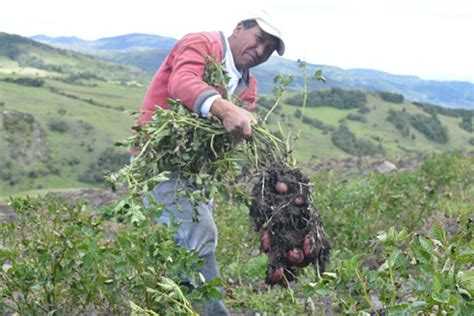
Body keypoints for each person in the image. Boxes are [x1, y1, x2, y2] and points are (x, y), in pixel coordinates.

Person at [140, 12, 285, 315]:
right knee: (200, 232)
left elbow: (234, 127)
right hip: (158, 162)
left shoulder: (248, 85)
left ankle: (169, 305)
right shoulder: (202, 44)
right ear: (238, 28)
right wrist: (223, 108)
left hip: (198, 173)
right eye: (259, 40)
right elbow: (182, 82)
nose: (260, 52)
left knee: (186, 242)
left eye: (269, 49)